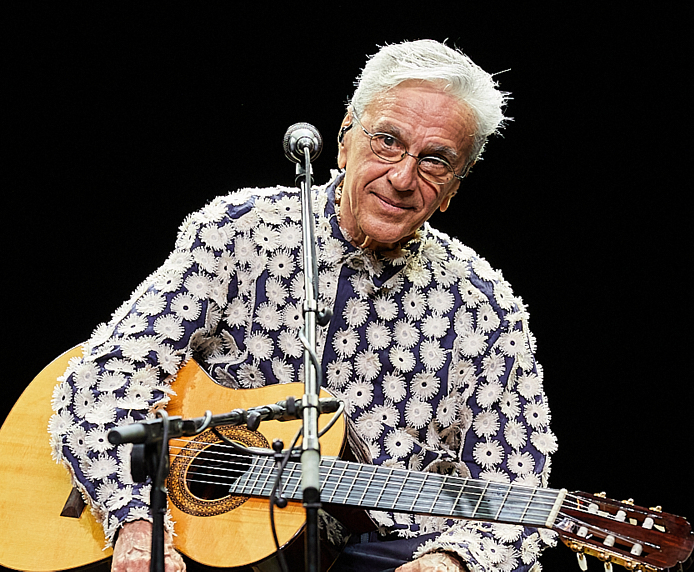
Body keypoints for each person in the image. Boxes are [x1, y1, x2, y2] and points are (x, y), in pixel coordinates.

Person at [49, 40, 559, 572]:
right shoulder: (240, 234)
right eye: (387, 141)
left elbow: (515, 496)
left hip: (382, 555)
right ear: (343, 141)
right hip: (215, 550)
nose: (404, 178)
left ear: (454, 188)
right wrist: (136, 522)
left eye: (435, 161)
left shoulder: (484, 310)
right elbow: (98, 387)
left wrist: (449, 562)